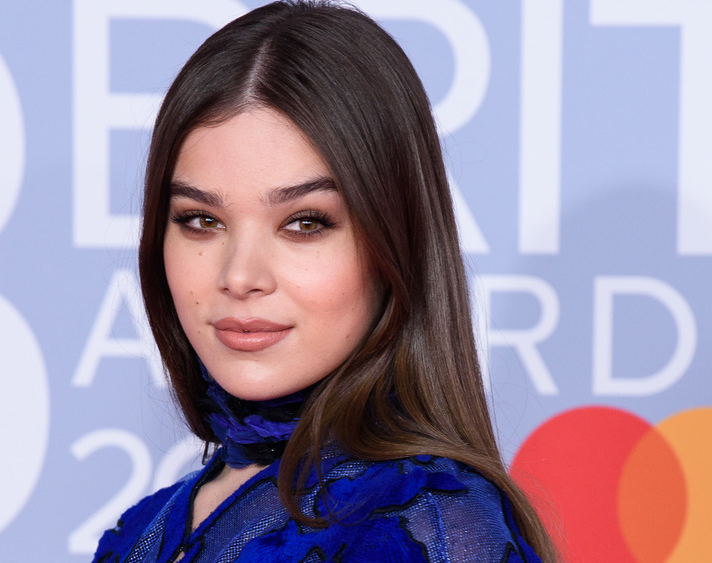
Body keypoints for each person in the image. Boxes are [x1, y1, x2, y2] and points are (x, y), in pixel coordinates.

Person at [93, 1, 556, 561]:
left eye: (305, 223)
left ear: (394, 242)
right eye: (202, 220)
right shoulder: (143, 531)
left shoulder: (429, 524)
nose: (240, 276)